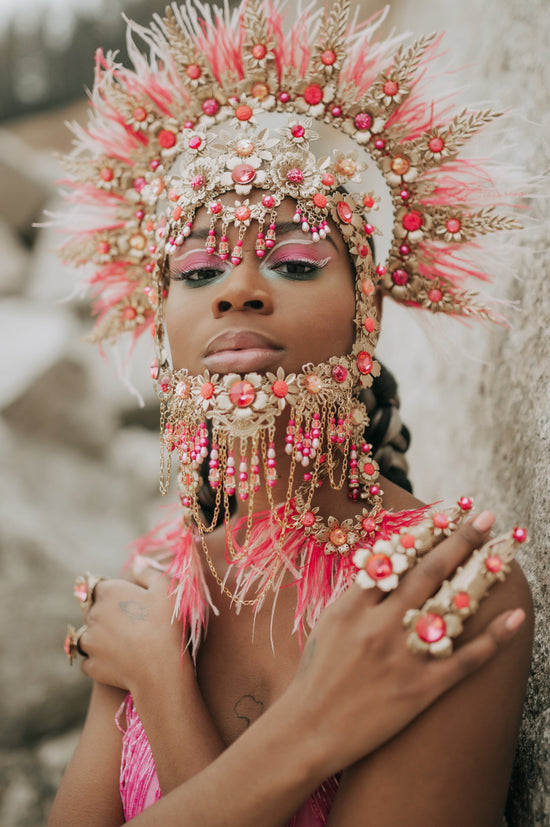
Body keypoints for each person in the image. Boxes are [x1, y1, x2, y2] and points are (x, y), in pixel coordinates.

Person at [48, 1, 533, 824]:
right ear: (163, 326)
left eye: (296, 259)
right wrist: (176, 669)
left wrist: (173, 688)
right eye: (198, 271)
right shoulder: (157, 585)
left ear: (366, 312)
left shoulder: (445, 587)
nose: (238, 288)